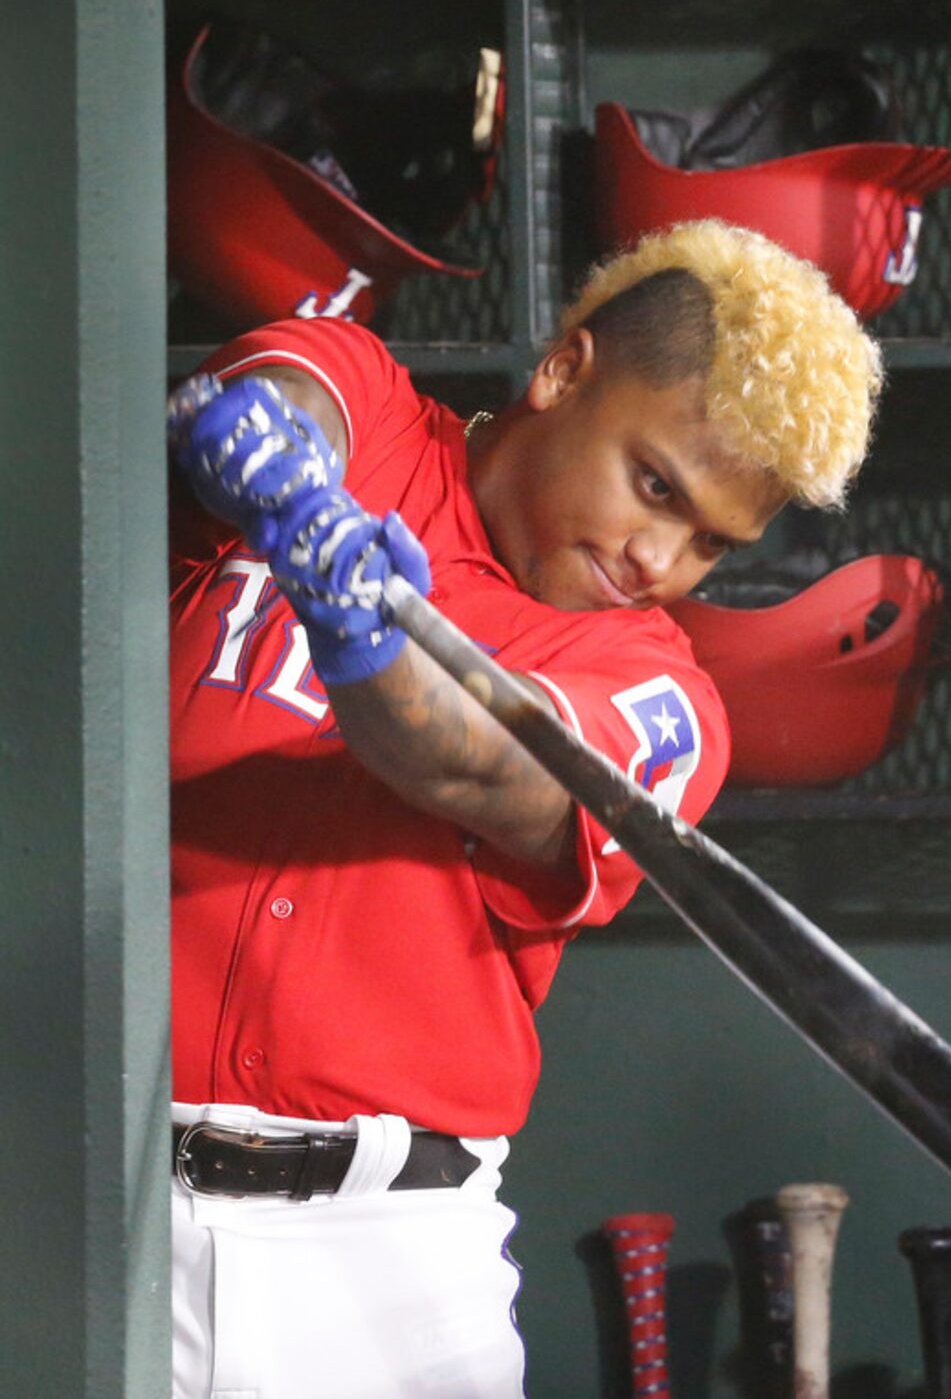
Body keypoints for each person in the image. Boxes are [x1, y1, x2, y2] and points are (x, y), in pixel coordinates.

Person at [165, 218, 883, 1399]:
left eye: (712, 541)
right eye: (656, 484)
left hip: (375, 1265)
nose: (662, 555)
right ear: (563, 371)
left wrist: (359, 638)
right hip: (84, 1192)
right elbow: (287, 388)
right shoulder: (369, 405)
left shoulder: (669, 700)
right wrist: (280, 461)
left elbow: (485, 770)